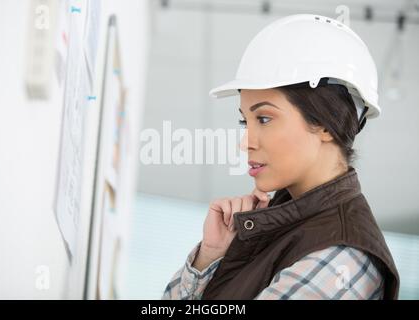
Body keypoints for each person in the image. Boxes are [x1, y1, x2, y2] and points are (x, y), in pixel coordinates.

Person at [162, 14, 399, 300]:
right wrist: (209, 257)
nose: (244, 143)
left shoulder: (339, 259)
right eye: (244, 122)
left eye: (263, 118)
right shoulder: (285, 225)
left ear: (326, 122)